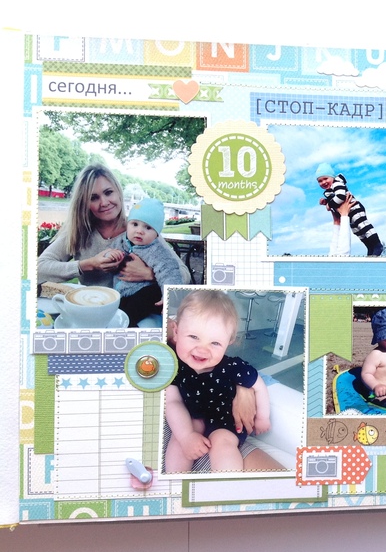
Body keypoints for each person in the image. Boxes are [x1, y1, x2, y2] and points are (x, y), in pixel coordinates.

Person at [37, 163, 190, 295]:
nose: (104, 202)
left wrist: (148, 274)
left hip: (131, 312)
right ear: (84, 203)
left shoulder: (140, 230)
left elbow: (184, 274)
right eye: (93, 198)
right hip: (90, 308)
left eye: (108, 192)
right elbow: (38, 268)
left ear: (118, 192)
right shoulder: (79, 231)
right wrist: (89, 264)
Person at [164, 290, 273, 473]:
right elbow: (172, 402)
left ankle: (224, 485)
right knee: (180, 438)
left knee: (222, 443)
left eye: (214, 343)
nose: (202, 350)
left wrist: (263, 417)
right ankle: (175, 481)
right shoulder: (174, 365)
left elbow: (259, 385)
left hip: (225, 420)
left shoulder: (233, 366)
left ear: (229, 341)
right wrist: (186, 437)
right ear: (176, 331)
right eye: (193, 337)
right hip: (193, 415)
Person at [100, 198, 183, 326]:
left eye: (148, 227)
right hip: (123, 293)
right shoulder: (121, 242)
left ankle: (129, 326)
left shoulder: (157, 250)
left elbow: (170, 272)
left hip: (148, 295)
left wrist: (170, 297)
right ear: (127, 225)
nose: (139, 231)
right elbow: (107, 253)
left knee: (145, 296)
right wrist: (109, 255)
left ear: (156, 235)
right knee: (117, 309)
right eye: (135, 224)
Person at [316, 163, 383, 256]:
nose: (323, 182)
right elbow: (334, 198)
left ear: (332, 177)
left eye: (325, 178)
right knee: (357, 231)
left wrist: (329, 205)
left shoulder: (337, 184)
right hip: (348, 213)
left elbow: (340, 196)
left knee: (363, 226)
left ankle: (377, 245)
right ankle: (370, 247)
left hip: (355, 208)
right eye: (320, 181)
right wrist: (325, 201)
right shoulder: (330, 190)